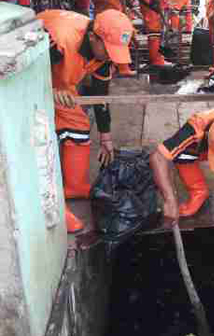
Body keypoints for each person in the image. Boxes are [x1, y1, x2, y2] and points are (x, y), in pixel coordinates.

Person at [37, 9, 134, 233]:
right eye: (109, 50)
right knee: (40, 139)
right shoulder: (59, 40)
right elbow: (25, 75)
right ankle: (50, 208)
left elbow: (100, 95)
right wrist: (50, 89)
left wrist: (106, 137)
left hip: (61, 83)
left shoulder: (100, 54)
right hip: (29, 84)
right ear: (93, 37)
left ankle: (75, 186)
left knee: (78, 126)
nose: (111, 56)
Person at [91, 0, 137, 76]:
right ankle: (117, 66)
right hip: (111, 19)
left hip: (117, 20)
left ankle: (120, 66)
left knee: (117, 43)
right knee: (107, 45)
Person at [139, 0, 173, 66]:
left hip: (151, 9)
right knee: (154, 36)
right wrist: (162, 16)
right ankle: (157, 61)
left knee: (154, 36)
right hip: (152, 10)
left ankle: (156, 59)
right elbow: (155, 3)